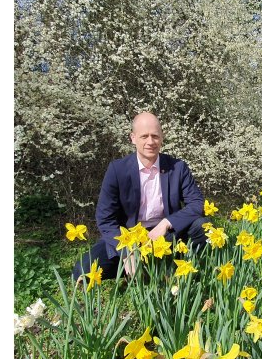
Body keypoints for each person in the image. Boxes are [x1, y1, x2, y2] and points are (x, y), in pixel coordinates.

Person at [72, 112, 209, 281]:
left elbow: (196, 203)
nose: (150, 142)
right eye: (144, 136)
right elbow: (105, 218)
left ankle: (178, 269)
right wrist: (125, 251)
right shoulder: (117, 170)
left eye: (155, 136)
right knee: (83, 270)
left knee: (202, 226)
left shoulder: (177, 168)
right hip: (130, 238)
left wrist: (167, 223)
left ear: (162, 138)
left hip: (166, 236)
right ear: (133, 138)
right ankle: (139, 267)